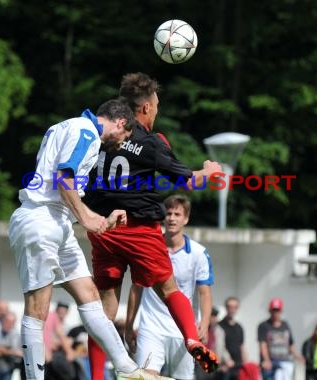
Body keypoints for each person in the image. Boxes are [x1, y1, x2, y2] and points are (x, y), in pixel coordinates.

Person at [9, 98, 169, 380]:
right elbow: (63, 177)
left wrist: (94, 216)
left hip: (57, 222)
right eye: (125, 136)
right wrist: (86, 217)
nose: (121, 143)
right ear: (120, 122)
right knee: (38, 308)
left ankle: (128, 371)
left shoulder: (71, 127)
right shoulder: (85, 131)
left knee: (89, 294)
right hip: (40, 221)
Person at [84, 72, 221, 379]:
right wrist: (210, 171)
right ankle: (192, 339)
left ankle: (95, 375)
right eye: (156, 105)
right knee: (169, 289)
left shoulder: (101, 135)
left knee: (104, 309)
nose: (157, 110)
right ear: (145, 108)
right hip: (139, 229)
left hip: (103, 229)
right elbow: (188, 180)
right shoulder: (152, 142)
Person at [125, 194, 214, 380]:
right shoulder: (147, 247)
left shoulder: (199, 253)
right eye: (169, 213)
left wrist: (204, 324)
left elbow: (204, 293)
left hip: (183, 331)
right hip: (151, 328)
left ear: (186, 218)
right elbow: (136, 288)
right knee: (145, 377)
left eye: (177, 214)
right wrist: (129, 325)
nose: (172, 218)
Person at [257, 298, 304, 380]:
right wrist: (266, 360)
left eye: (277, 310)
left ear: (281, 311)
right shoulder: (264, 326)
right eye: (273, 310)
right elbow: (263, 345)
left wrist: (298, 356)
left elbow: (290, 344)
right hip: (271, 363)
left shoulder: (285, 325)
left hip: (285, 362)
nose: (275, 313)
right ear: (269, 311)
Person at [218, 296, 247, 380]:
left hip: (238, 367)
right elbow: (216, 347)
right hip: (224, 368)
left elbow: (242, 346)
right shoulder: (219, 326)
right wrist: (222, 363)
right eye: (230, 307)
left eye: (235, 307)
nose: (232, 309)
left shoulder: (239, 327)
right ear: (226, 308)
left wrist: (245, 363)